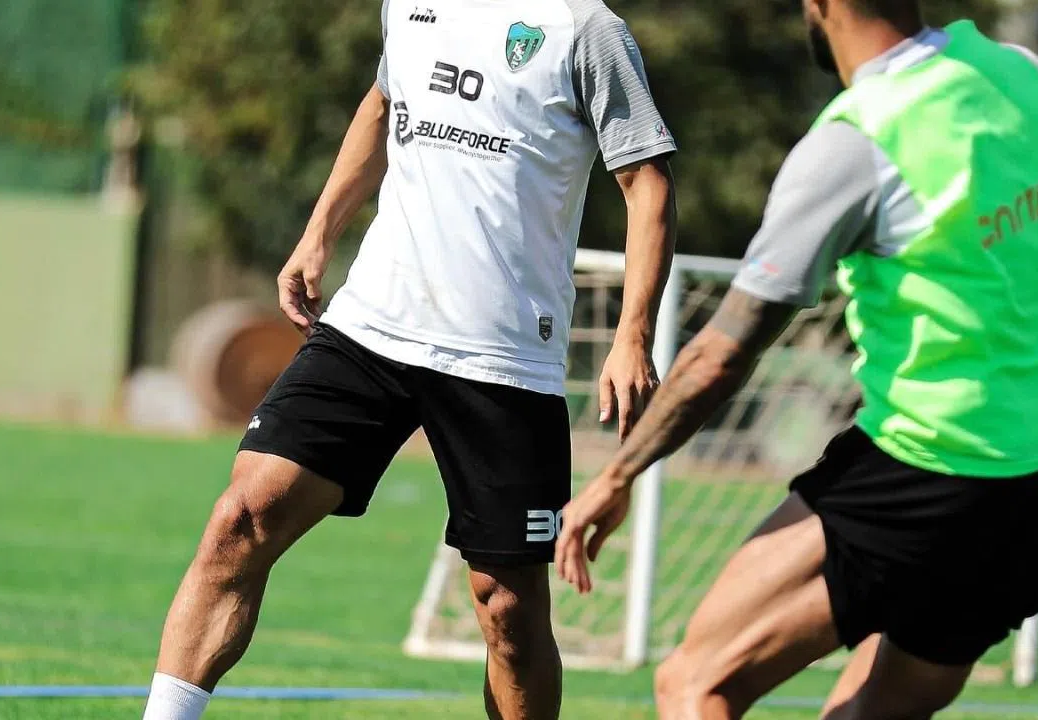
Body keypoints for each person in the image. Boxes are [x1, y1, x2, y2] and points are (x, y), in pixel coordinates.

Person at [554, 1, 1038, 718]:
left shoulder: (856, 140)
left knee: (695, 682)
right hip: (1033, 493)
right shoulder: (1018, 76)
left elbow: (723, 352)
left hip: (919, 473)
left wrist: (617, 475)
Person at [141, 0, 677, 718]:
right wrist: (319, 233)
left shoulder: (588, 30)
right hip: (372, 327)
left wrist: (633, 334)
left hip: (504, 358)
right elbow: (382, 104)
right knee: (241, 518)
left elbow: (648, 183)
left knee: (507, 608)